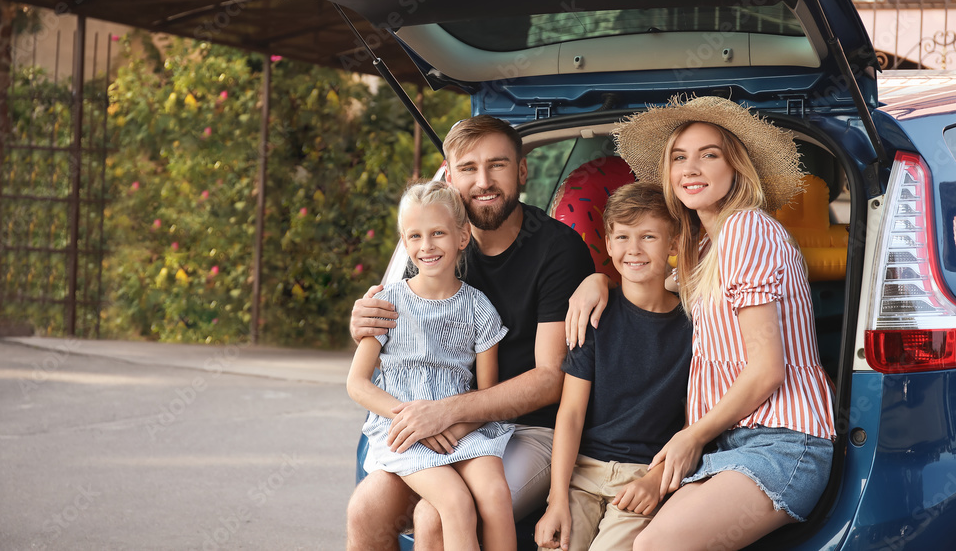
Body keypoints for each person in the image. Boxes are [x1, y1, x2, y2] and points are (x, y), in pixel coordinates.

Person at [571, 96, 836, 551]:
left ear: (736, 166)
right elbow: (651, 277)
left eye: (708, 155)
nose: (691, 168)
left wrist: (690, 436)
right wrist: (597, 278)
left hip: (782, 444)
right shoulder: (706, 251)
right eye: (679, 158)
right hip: (728, 445)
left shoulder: (746, 230)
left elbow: (767, 368)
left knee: (654, 546)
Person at [347, 115, 595, 550]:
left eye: (497, 165)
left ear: (521, 171)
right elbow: (392, 324)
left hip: (527, 430)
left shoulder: (557, 250)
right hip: (432, 423)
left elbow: (549, 378)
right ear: (450, 176)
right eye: (468, 168)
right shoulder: (431, 244)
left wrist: (449, 414)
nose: (483, 181)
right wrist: (364, 323)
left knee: (435, 517)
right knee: (366, 511)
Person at [347, 180, 516, 551]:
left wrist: (452, 426)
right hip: (403, 434)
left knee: (496, 494)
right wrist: (414, 421)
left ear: (462, 236)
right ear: (404, 243)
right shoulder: (388, 304)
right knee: (455, 503)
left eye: (438, 233)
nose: (427, 246)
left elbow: (486, 396)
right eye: (415, 236)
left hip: (462, 427)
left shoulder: (478, 308)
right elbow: (357, 383)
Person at [534, 181, 692, 551]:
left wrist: (657, 480)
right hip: (582, 472)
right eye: (622, 237)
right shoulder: (594, 316)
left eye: (648, 237)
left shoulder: (695, 325)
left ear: (672, 244)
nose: (633, 250)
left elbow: (693, 420)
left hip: (644, 475)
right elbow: (570, 413)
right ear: (607, 243)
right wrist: (556, 499)